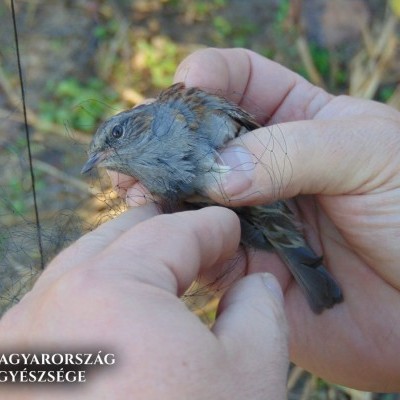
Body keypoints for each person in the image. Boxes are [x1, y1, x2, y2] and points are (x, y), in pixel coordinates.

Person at [0, 48, 399, 398]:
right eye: (101, 153)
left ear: (139, 119)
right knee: (269, 239)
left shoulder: (182, 107)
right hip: (235, 215)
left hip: (276, 189)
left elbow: (242, 126)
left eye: (114, 137)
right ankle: (297, 257)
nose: (105, 155)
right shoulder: (149, 177)